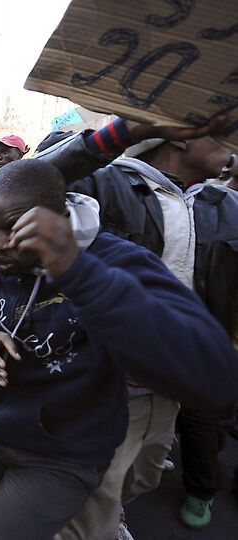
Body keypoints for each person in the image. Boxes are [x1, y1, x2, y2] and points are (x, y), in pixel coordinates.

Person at [0, 159, 238, 540]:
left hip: (61, 457)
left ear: (57, 221)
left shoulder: (113, 261)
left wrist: (76, 271)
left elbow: (217, 379)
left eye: (17, 230)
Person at [34, 117, 237, 536]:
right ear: (182, 138)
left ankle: (109, 512)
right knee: (92, 500)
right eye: (223, 133)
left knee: (142, 476)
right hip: (105, 384)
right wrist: (127, 130)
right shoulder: (106, 185)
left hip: (172, 386)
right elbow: (24, 184)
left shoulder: (224, 206)